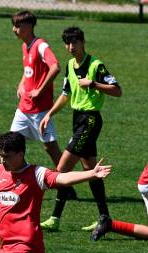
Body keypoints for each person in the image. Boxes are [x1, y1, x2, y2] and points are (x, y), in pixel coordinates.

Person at [0, 10, 74, 201]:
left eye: (17, 26)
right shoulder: (25, 46)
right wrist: (22, 83)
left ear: (29, 27)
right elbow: (28, 71)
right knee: (9, 145)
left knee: (50, 148)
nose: (14, 29)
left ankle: (65, 184)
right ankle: (0, 185)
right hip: (23, 108)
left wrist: (40, 89)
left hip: (40, 111)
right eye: (14, 25)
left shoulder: (41, 45)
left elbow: (56, 67)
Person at [38, 26, 122, 236]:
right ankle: (104, 218)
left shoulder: (96, 65)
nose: (71, 47)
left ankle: (55, 218)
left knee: (62, 167)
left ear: (83, 42)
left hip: (90, 120)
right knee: (91, 170)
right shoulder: (68, 65)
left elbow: (117, 90)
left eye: (75, 42)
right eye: (67, 43)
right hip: (78, 119)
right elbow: (66, 94)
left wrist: (93, 84)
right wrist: (50, 113)